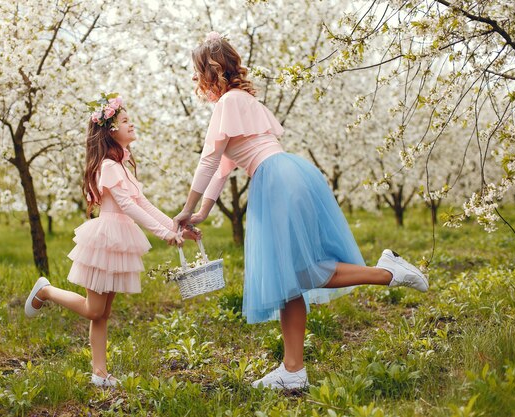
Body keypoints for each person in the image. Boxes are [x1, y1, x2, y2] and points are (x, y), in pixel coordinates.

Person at [173, 33, 429, 390]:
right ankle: (293, 371)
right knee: (290, 275)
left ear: (210, 72)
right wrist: (201, 212)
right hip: (291, 174)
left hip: (276, 182)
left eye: (199, 73)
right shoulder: (244, 101)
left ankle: (386, 272)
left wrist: (185, 210)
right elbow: (223, 168)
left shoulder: (228, 104)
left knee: (301, 270)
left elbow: (209, 160)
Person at [24, 94, 200, 388]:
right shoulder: (108, 165)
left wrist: (178, 227)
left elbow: (143, 203)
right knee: (95, 309)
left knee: (102, 313)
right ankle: (47, 291)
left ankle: (99, 373)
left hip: (120, 239)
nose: (132, 125)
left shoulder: (122, 167)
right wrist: (164, 234)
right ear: (110, 131)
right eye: (125, 121)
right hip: (106, 238)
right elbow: (127, 206)